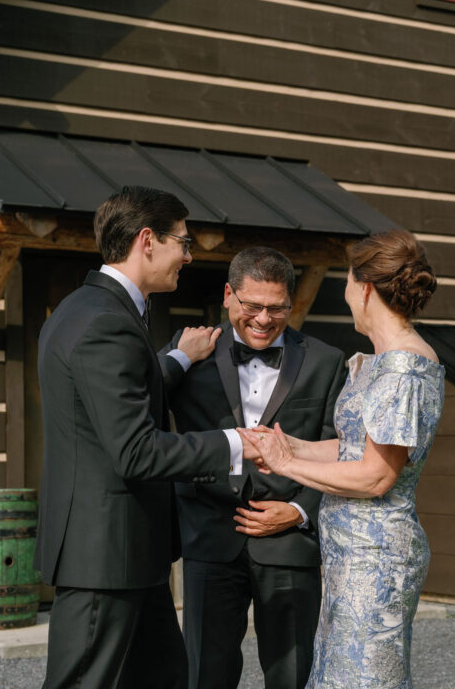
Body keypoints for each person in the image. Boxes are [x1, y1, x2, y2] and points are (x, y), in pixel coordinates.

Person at [35, 185, 257, 689]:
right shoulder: (104, 323)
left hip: (132, 550)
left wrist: (177, 359)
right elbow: (135, 450)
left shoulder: (87, 309)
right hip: (105, 554)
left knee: (164, 677)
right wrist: (237, 443)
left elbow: (110, 397)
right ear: (147, 240)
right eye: (183, 240)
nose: (188, 254)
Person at [244, 229, 444, 689]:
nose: (346, 291)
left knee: (364, 679)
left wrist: (288, 466)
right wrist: (285, 446)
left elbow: (376, 476)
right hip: (349, 554)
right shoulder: (381, 361)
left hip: (375, 558)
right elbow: (354, 448)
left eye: (349, 281)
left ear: (367, 288)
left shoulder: (403, 369)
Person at [158, 247, 346, 689]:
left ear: (291, 303)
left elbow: (341, 451)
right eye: (252, 306)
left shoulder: (326, 361)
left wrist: (300, 512)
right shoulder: (188, 350)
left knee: (294, 675)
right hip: (208, 537)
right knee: (205, 674)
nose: (263, 319)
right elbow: (141, 413)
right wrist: (179, 358)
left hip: (290, 545)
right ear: (228, 295)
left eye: (277, 308)